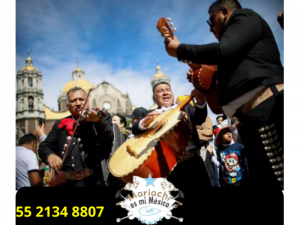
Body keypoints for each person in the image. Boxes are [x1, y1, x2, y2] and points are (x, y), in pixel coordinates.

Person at [164, 0, 284, 189]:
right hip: (252, 120)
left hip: (268, 109)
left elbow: (223, 50)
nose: (211, 28)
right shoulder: (236, 55)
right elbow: (216, 98)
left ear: (225, 12)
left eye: (211, 21)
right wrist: (199, 73)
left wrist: (180, 50)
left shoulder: (245, 17)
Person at [132, 82, 211, 187]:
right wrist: (145, 122)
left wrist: (201, 102)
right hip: (166, 169)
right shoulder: (149, 114)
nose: (165, 93)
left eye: (168, 89)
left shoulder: (185, 108)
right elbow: (135, 128)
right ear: (154, 99)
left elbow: (199, 117)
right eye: (160, 91)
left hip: (193, 163)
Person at [38, 87, 114, 187]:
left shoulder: (102, 118)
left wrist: (98, 122)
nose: (78, 103)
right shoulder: (59, 124)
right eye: (73, 101)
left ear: (87, 101)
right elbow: (44, 146)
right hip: (66, 183)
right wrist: (50, 156)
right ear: (68, 105)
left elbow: (108, 138)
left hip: (93, 182)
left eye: (82, 99)